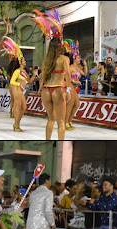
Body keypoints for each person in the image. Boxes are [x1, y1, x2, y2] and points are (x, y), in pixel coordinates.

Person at [32, 9, 72, 140]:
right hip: (58, 90)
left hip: (46, 91)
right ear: (60, 46)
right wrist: (69, 90)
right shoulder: (64, 59)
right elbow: (68, 77)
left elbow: (42, 77)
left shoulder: (46, 60)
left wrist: (39, 89)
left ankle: (47, 141)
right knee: (61, 122)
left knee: (50, 120)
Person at [2, 36, 38, 132]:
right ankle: (16, 125)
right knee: (18, 107)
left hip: (21, 90)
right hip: (16, 89)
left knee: (24, 107)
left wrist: (34, 75)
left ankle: (16, 123)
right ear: (20, 62)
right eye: (24, 60)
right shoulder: (17, 71)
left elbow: (29, 82)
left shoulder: (25, 72)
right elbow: (12, 81)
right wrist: (19, 85)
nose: (25, 61)